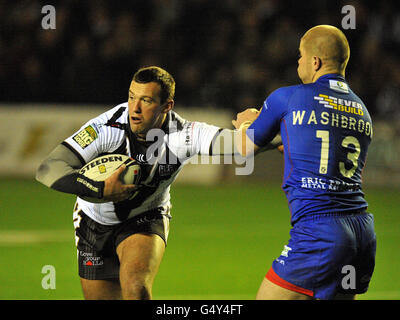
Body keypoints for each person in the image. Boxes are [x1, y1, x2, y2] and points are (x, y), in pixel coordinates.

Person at [36, 66, 247, 300]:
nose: (134, 108)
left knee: (136, 288)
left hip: (146, 215)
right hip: (93, 221)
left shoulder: (183, 135)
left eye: (146, 100)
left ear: (167, 106)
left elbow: (242, 145)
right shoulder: (106, 128)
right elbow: (48, 169)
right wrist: (101, 189)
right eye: (131, 97)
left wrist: (258, 127)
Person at [232, 25, 376, 300]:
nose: (297, 61)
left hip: (320, 232)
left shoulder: (288, 97)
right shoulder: (361, 110)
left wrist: (245, 123)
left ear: (315, 61)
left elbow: (243, 149)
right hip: (362, 234)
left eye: (300, 55)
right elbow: (313, 149)